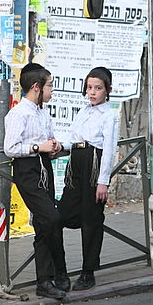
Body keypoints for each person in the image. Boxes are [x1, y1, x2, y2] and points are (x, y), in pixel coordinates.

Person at [3, 63, 70, 299]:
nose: (52, 90)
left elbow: (48, 138)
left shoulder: (42, 112)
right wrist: (36, 147)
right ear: (36, 87)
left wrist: (54, 146)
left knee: (44, 224)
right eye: (49, 85)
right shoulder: (18, 114)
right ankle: (59, 271)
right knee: (52, 218)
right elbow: (10, 148)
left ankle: (45, 281)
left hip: (45, 166)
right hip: (27, 170)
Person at [58, 67, 119, 291]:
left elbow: (110, 149)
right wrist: (58, 147)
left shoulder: (109, 115)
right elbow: (73, 139)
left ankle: (88, 271)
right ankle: (58, 269)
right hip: (76, 162)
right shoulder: (83, 111)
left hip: (95, 163)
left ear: (107, 90)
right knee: (63, 213)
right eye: (89, 87)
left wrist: (103, 181)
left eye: (98, 88)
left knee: (92, 219)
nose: (92, 92)